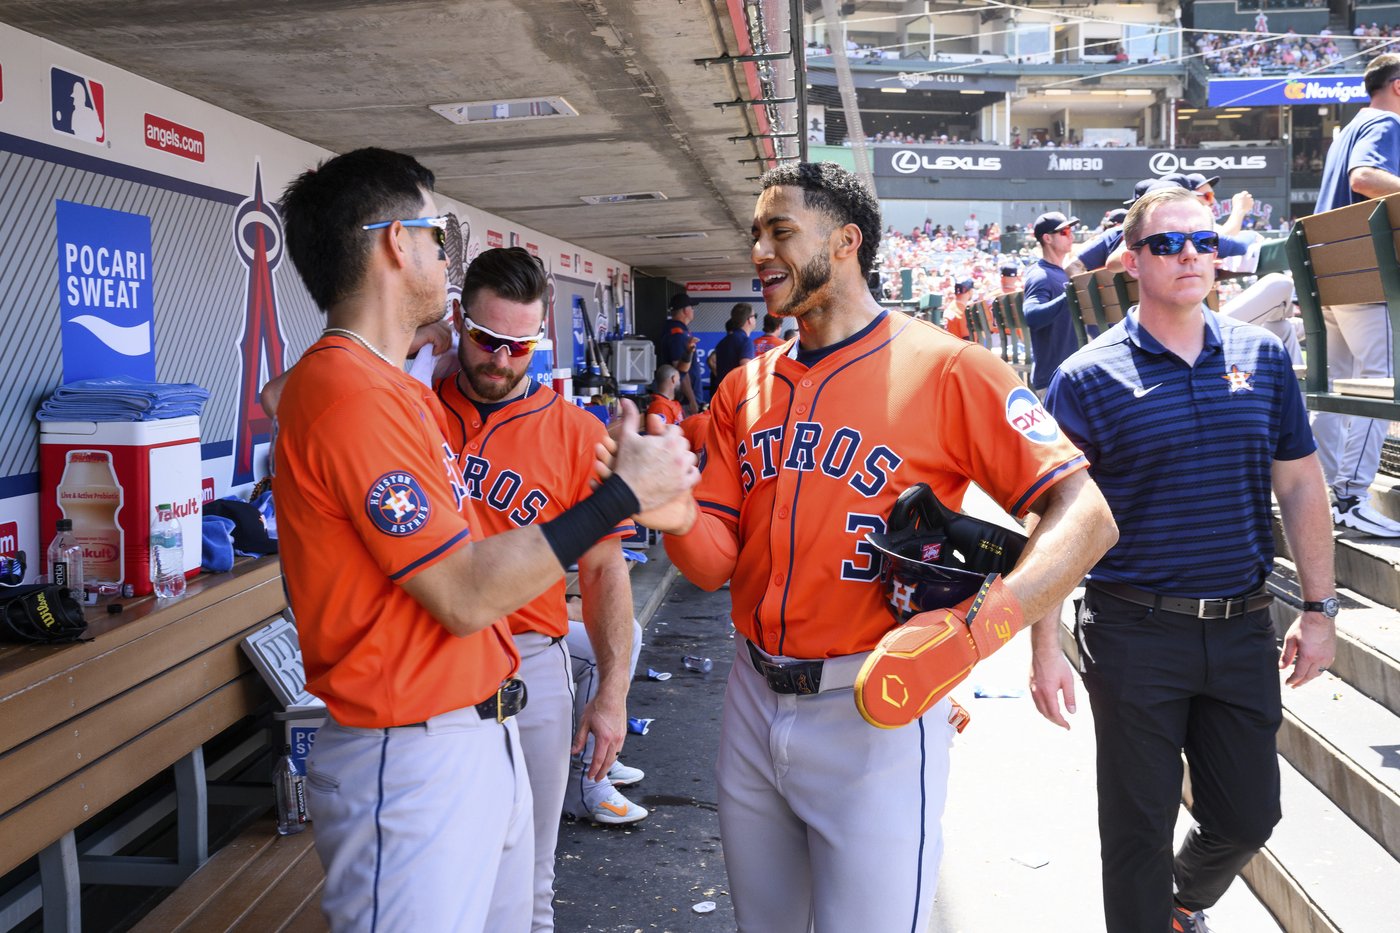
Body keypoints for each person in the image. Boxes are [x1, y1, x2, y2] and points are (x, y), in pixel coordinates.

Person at [662, 161, 1117, 933]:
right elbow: (713, 563)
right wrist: (668, 509)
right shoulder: (745, 387)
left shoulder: (949, 366)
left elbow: (1087, 516)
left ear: (844, 242)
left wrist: (980, 631)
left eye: (779, 232)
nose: (759, 252)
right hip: (750, 693)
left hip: (873, 702)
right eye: (755, 234)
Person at [274, 147, 697, 932]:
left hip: (476, 730)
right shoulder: (350, 392)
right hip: (409, 758)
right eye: (437, 236)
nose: (444, 254)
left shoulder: (377, 386)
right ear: (396, 243)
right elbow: (466, 592)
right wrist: (620, 496)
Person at [1033, 186, 1337, 933]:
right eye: (1168, 244)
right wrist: (1043, 644)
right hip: (1133, 630)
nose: (1191, 255)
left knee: (1248, 814)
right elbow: (1053, 518)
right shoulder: (1087, 375)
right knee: (1136, 829)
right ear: (1132, 261)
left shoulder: (1263, 359)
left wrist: (1321, 610)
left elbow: (1299, 480)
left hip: (1241, 625)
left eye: (1204, 242)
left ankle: (1176, 905)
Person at [431, 246, 647, 929]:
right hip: (428, 658)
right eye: (485, 339)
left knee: (529, 881)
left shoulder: (576, 433)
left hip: (529, 664)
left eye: (518, 346)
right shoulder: (409, 404)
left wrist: (611, 694)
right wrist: (409, 340)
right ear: (457, 324)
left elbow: (606, 569)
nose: (500, 359)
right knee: (437, 875)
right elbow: (285, 399)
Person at [1311, 52, 1400, 536]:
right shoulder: (1385, 123)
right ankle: (1350, 496)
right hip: (1362, 277)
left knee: (1335, 388)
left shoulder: (1345, 130)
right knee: (1379, 380)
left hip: (1331, 277)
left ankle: (1317, 490)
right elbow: (1364, 178)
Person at [1022, 211, 1079, 394]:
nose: (1071, 236)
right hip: (1054, 380)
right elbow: (1032, 315)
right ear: (1047, 238)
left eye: (1070, 231)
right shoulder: (1040, 275)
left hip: (1066, 375)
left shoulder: (1059, 272)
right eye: (1064, 232)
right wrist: (1070, 295)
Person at [659, 293, 701, 414]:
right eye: (691, 307)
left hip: (685, 400)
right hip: (684, 402)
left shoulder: (680, 331)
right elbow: (680, 371)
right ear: (685, 310)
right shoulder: (677, 334)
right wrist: (692, 400)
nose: (693, 310)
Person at [712, 302, 757, 387]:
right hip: (737, 394)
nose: (755, 319)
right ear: (749, 319)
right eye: (755, 316)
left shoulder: (722, 342)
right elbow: (747, 370)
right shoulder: (745, 341)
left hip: (722, 392)